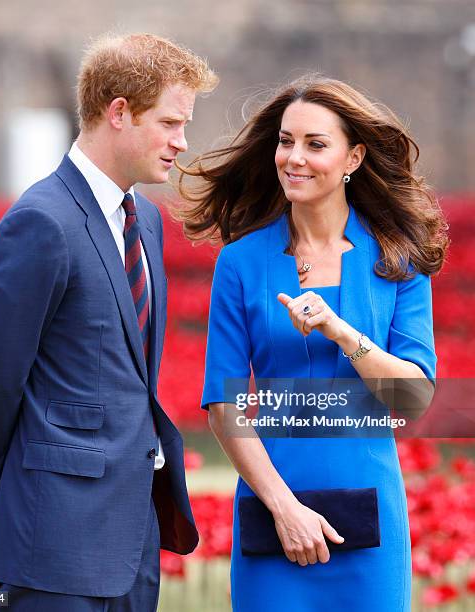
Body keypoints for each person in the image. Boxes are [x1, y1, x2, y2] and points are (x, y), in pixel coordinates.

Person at [0, 32, 218, 611]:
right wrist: (12, 498)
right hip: (47, 540)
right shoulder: (41, 222)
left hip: (134, 541)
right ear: (118, 112)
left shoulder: (144, 219)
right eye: (170, 123)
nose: (182, 141)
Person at [177, 75, 448, 611]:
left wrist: (342, 332)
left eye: (315, 144)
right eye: (285, 141)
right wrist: (285, 510)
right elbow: (223, 405)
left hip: (370, 524)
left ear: (354, 158)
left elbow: (413, 400)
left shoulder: (398, 264)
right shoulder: (240, 263)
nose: (293, 157)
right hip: (273, 517)